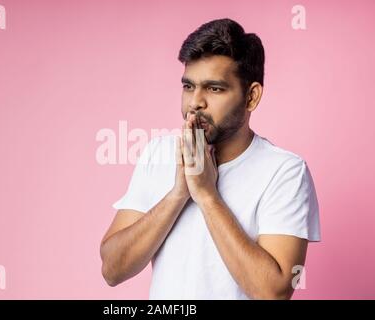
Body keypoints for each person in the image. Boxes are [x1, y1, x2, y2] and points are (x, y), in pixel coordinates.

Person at [100, 18, 320, 300]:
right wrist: (179, 193)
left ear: (251, 97)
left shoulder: (285, 172)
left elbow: (274, 293)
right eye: (188, 86)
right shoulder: (158, 153)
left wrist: (206, 195)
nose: (195, 102)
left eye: (214, 88)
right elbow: (112, 269)